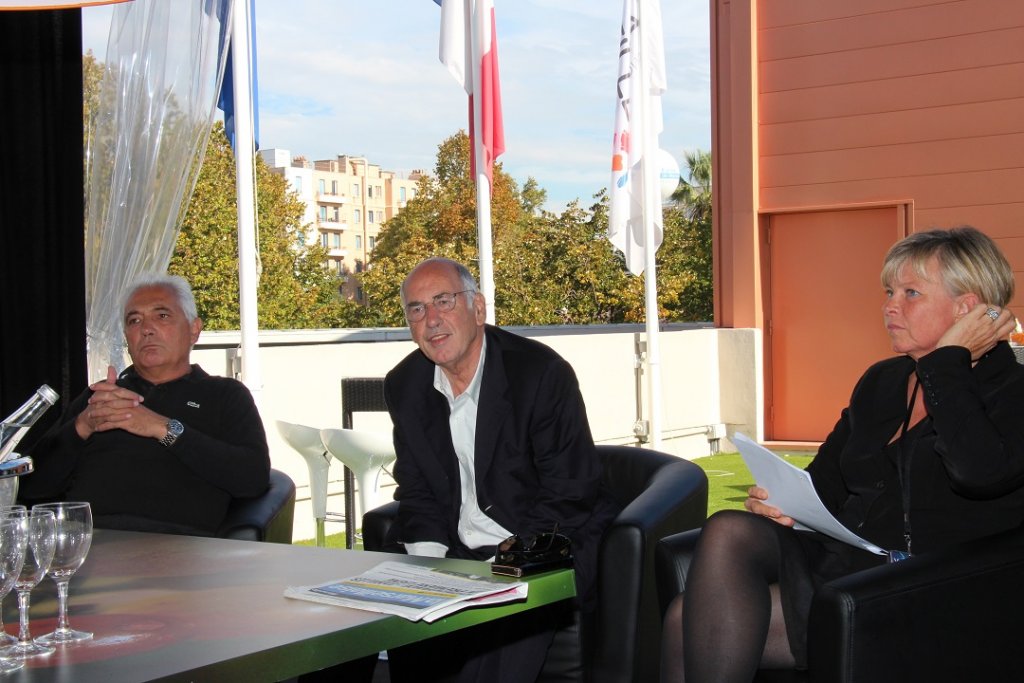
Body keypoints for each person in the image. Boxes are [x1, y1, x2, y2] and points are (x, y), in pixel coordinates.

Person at [662, 226, 1024, 682]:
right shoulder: (884, 381)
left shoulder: (1011, 391)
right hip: (853, 561)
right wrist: (782, 503)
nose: (890, 305)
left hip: (940, 584)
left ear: (966, 308)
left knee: (683, 617)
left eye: (911, 293)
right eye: (889, 291)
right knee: (728, 533)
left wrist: (946, 365)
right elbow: (826, 483)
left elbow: (979, 473)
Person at [382, 257, 619, 682]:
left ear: (478, 308)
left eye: (443, 301)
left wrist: (501, 566)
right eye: (416, 309)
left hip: (545, 546)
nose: (431, 319)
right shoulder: (405, 384)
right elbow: (415, 489)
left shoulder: (540, 374)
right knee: (383, 621)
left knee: (507, 619)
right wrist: (429, 572)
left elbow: (570, 493)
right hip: (461, 556)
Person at [21, 274, 270, 536]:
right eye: (134, 320)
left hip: (175, 551)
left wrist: (162, 428)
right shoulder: (100, 397)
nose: (146, 329)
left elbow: (251, 479)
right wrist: (81, 427)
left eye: (162, 316)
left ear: (194, 329)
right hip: (86, 545)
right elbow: (30, 487)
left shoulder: (224, 395)